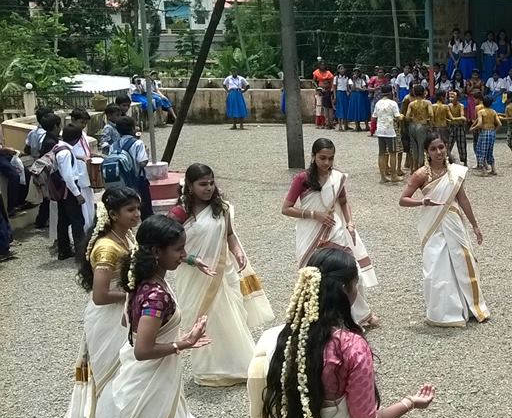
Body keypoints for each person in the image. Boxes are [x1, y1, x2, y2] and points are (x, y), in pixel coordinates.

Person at [248, 249, 436, 418]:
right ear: (345, 289)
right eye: (356, 284)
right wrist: (409, 402)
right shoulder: (350, 347)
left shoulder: (275, 339)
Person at [114, 215, 209, 418]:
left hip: (151, 381)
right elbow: (143, 350)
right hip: (151, 385)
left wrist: (173, 338)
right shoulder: (155, 294)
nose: (183, 255)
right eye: (178, 249)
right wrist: (184, 343)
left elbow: (129, 324)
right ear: (157, 251)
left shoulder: (142, 281)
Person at [168, 164, 272, 386]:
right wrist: (191, 260)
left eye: (211, 183)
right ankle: (208, 370)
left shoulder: (221, 207)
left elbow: (230, 234)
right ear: (190, 186)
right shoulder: (180, 213)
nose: (208, 188)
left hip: (222, 273)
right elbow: (166, 244)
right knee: (203, 319)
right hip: (194, 276)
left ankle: (238, 365)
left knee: (230, 317)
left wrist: (238, 252)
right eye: (202, 184)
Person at [62, 187, 141, 418]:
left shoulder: (125, 235)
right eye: (130, 210)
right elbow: (100, 295)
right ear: (114, 214)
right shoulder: (106, 247)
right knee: (114, 376)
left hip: (126, 312)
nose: (137, 214)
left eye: (138, 208)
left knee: (134, 370)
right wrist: (136, 292)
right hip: (109, 318)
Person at [282, 139, 380, 327]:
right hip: (310, 231)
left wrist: (350, 222)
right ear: (313, 156)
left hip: (335, 229)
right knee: (315, 274)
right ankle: (319, 316)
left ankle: (359, 315)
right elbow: (286, 208)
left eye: (330, 158)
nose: (326, 163)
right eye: (322, 158)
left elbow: (343, 202)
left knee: (349, 271)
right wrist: (314, 214)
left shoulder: (337, 177)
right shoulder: (302, 179)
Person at [398, 135, 489, 326]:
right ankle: (444, 312)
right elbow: (403, 199)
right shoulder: (421, 174)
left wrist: (475, 225)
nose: (438, 152)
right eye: (433, 149)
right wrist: (422, 202)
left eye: (441, 147)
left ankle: (471, 307)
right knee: (437, 267)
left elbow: (462, 199)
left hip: (453, 222)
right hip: (433, 225)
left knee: (463, 262)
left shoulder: (454, 172)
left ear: (446, 147)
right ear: (427, 152)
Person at [54, 124, 87, 260]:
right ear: (76, 139)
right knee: (77, 220)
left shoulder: (58, 147)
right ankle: (80, 251)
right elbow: (68, 176)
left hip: (62, 190)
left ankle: (64, 250)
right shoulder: (66, 153)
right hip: (69, 190)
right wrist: (77, 194)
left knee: (63, 221)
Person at [111, 116, 154, 218]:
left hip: (121, 182)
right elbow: (142, 162)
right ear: (132, 129)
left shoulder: (114, 145)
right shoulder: (138, 143)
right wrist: (146, 153)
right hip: (138, 181)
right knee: (146, 210)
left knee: (124, 208)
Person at [404, 85, 433, 172]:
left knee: (414, 147)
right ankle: (421, 167)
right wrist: (429, 122)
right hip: (422, 126)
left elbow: (407, 116)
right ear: (424, 92)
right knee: (421, 147)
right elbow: (431, 114)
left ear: (414, 93)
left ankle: (414, 167)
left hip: (413, 126)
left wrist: (413, 118)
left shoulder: (411, 104)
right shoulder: (427, 103)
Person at [470, 95, 501, 175]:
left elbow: (479, 124)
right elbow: (499, 124)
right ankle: (493, 169)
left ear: (483, 102)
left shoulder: (481, 112)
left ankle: (484, 171)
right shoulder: (493, 112)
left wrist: (473, 128)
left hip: (484, 132)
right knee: (490, 151)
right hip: (492, 132)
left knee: (480, 150)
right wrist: (494, 131)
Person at [447, 91, 469, 165]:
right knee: (448, 144)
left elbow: (462, 116)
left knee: (462, 145)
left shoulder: (460, 106)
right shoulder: (449, 106)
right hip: (451, 127)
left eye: (453, 97)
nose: (451, 98)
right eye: (450, 97)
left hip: (459, 127)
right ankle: (447, 159)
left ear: (457, 98)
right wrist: (453, 119)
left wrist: (454, 119)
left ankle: (464, 161)